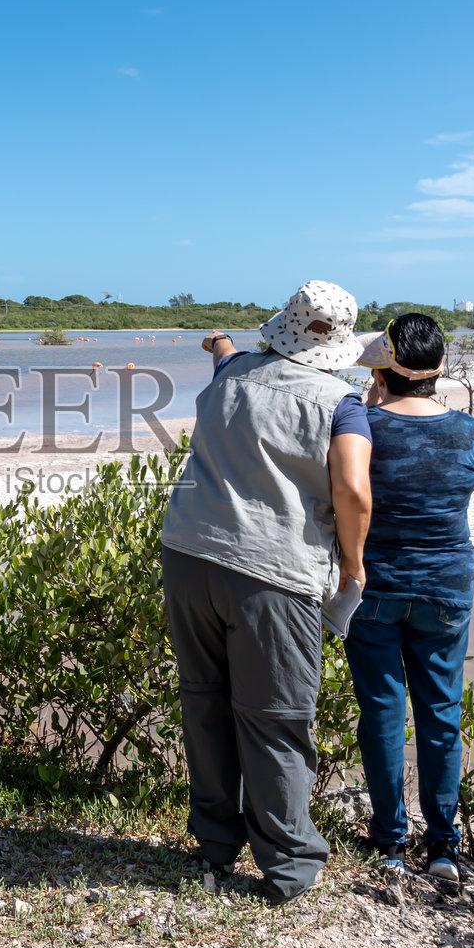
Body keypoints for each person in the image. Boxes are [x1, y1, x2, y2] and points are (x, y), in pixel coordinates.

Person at [160, 280, 373, 904]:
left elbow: (227, 353)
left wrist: (219, 341)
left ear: (281, 325)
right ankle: (288, 865)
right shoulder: (342, 403)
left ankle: (215, 844)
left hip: (189, 553)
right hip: (273, 573)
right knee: (277, 719)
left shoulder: (232, 374)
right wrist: (353, 568)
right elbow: (355, 492)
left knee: (205, 700)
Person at [345, 312, 474, 884]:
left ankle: (391, 841)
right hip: (446, 584)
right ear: (439, 369)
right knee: (441, 716)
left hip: (374, 584)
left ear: (383, 366)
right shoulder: (466, 428)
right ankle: (443, 846)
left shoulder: (364, 425)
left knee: (381, 713)